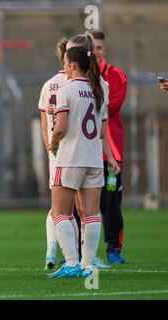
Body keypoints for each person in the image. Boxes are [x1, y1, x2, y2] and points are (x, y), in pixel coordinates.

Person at [48, 44, 119, 279]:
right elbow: (100, 132)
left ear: (73, 65)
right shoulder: (99, 90)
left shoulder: (66, 90)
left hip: (70, 158)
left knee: (60, 212)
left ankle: (71, 263)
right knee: (91, 214)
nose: (64, 68)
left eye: (66, 63)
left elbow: (61, 126)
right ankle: (88, 265)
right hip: (93, 158)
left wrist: (53, 141)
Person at [38, 37, 78, 270]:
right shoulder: (78, 85)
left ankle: (54, 251)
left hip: (57, 152)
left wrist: (49, 148)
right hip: (76, 150)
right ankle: (77, 257)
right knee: (75, 208)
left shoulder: (49, 84)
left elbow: (45, 125)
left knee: (60, 207)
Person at [91, 31, 128, 264]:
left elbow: (110, 107)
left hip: (109, 151)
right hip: (83, 151)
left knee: (111, 204)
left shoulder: (116, 75)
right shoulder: (75, 76)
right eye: (92, 47)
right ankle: (77, 252)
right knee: (79, 206)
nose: (96, 52)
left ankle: (113, 249)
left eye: (100, 48)